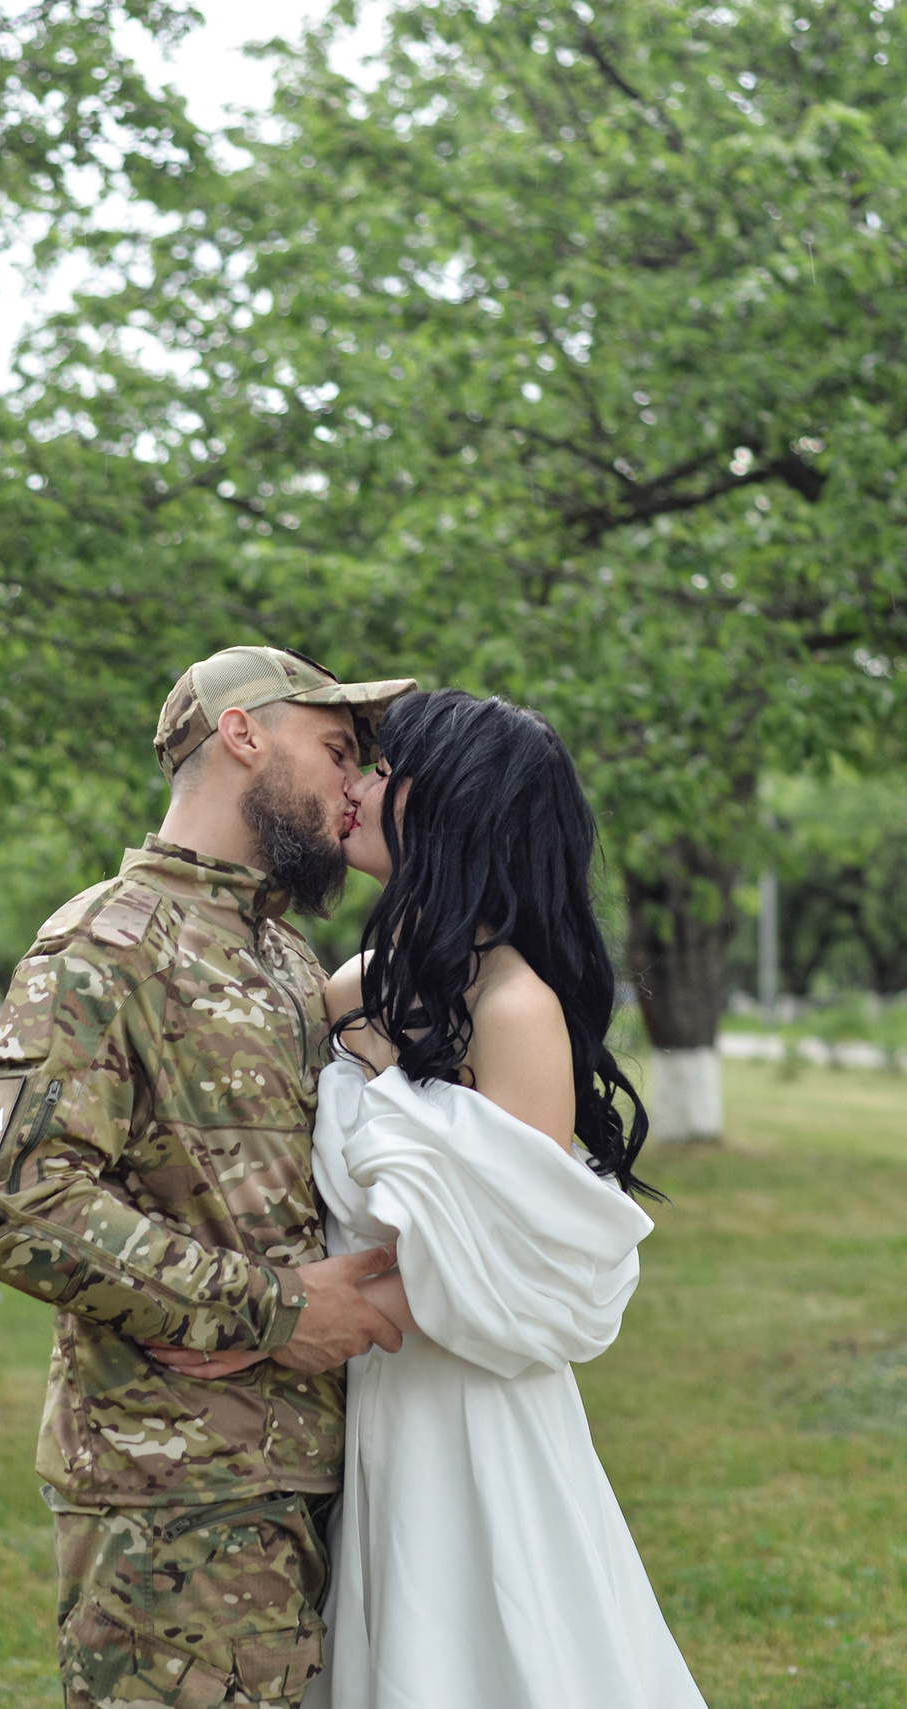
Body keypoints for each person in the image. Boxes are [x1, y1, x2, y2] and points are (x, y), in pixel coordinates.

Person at [150, 689, 708, 1708]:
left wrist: (273, 1325)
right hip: (364, 1396)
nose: (351, 787)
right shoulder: (365, 979)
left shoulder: (516, 1005)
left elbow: (508, 1251)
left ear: (452, 802)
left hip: (462, 1400)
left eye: (377, 769)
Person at [0, 645, 418, 1708]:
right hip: (172, 1497)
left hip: (311, 1468)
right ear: (242, 733)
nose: (355, 784)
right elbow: (16, 1197)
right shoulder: (105, 940)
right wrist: (270, 1310)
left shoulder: (291, 958)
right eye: (338, 749)